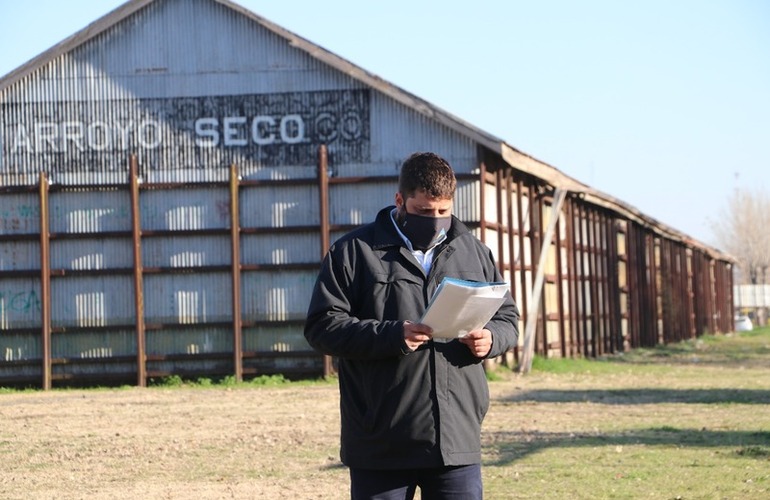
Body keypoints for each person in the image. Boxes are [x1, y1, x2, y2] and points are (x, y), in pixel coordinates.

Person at [304, 151, 520, 499]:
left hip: (456, 440)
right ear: (400, 201)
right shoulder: (353, 252)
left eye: (443, 212)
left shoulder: (474, 251)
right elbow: (322, 326)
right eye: (423, 211)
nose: (434, 220)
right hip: (381, 441)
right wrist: (392, 335)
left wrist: (492, 339)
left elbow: (508, 317)